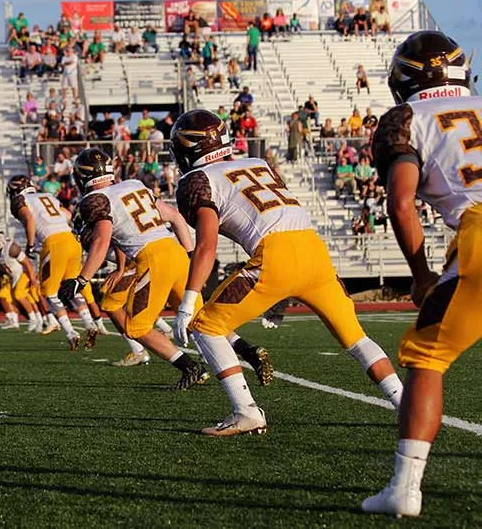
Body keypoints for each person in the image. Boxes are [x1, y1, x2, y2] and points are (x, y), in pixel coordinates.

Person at [170, 109, 403, 436]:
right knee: (355, 338)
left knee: (206, 327)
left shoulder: (197, 180)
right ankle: (405, 403)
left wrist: (187, 301)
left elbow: (206, 245)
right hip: (314, 250)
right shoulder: (258, 163)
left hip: (276, 256)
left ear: (186, 148)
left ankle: (246, 411)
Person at [361, 31, 479, 518]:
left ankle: (404, 489)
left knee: (426, 356)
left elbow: (401, 201)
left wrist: (421, 274)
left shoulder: (408, 119)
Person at [60, 149, 209, 389]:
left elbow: (102, 240)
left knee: (136, 327)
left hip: (151, 259)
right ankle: (246, 356)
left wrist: (82, 279)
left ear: (81, 177)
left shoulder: (93, 200)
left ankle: (190, 367)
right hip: (176, 251)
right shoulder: (133, 185)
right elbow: (175, 218)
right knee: (201, 319)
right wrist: (192, 256)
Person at [8, 175, 99, 349]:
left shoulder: (20, 200)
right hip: (72, 241)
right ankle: (89, 323)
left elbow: (28, 218)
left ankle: (70, 332)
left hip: (54, 243)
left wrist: (30, 244)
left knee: (49, 294)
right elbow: (67, 214)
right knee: (71, 287)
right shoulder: (47, 196)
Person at [0, 227, 42, 332]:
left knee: (19, 295)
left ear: (2, 238)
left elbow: (27, 263)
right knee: (4, 295)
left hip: (23, 273)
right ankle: (13, 321)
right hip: (11, 276)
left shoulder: (11, 247)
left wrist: (33, 278)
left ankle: (35, 319)